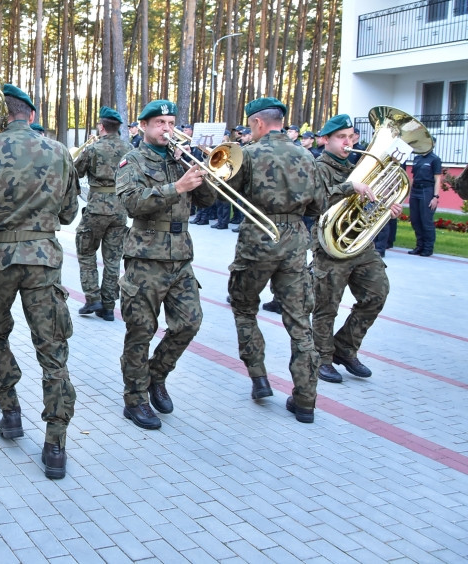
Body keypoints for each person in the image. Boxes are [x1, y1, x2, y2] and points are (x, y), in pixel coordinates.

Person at [0, 83, 79, 480]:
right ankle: (55, 444)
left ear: (2, 114)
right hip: (43, 261)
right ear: (31, 114)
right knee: (52, 349)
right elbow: (69, 214)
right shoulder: (59, 151)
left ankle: (10, 415)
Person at [116, 100, 216, 430]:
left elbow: (208, 201)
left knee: (189, 323)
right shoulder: (132, 159)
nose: (167, 129)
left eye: (172, 122)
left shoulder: (181, 159)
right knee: (140, 331)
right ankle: (135, 400)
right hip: (145, 257)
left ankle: (155, 375)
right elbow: (132, 203)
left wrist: (204, 173)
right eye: (159, 122)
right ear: (143, 126)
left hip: (181, 256)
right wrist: (177, 187)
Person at [226, 97, 326, 424]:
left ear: (257, 123)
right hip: (296, 240)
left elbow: (225, 194)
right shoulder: (308, 156)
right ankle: (306, 400)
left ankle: (259, 377)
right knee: (299, 318)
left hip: (257, 237)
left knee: (243, 306)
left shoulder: (247, 154)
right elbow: (318, 206)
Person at [311, 114, 400, 384]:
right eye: (341, 137)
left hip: (361, 245)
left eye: (351, 136)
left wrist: (386, 208)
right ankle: (322, 358)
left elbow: (365, 207)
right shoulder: (317, 167)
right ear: (326, 140)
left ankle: (345, 348)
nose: (348, 142)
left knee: (376, 295)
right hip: (331, 247)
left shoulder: (361, 166)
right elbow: (314, 201)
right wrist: (350, 187)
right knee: (327, 307)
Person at [75, 106, 130, 321]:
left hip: (97, 207)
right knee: (113, 259)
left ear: (102, 126)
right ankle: (108, 307)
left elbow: (76, 171)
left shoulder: (94, 148)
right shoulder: (128, 148)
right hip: (120, 209)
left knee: (87, 252)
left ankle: (92, 298)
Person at [408, 142, 442, 257]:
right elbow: (413, 177)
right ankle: (419, 246)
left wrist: (435, 197)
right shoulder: (417, 158)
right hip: (415, 191)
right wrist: (408, 192)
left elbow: (437, 179)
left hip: (427, 190)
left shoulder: (435, 159)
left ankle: (428, 248)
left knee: (426, 221)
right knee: (415, 220)